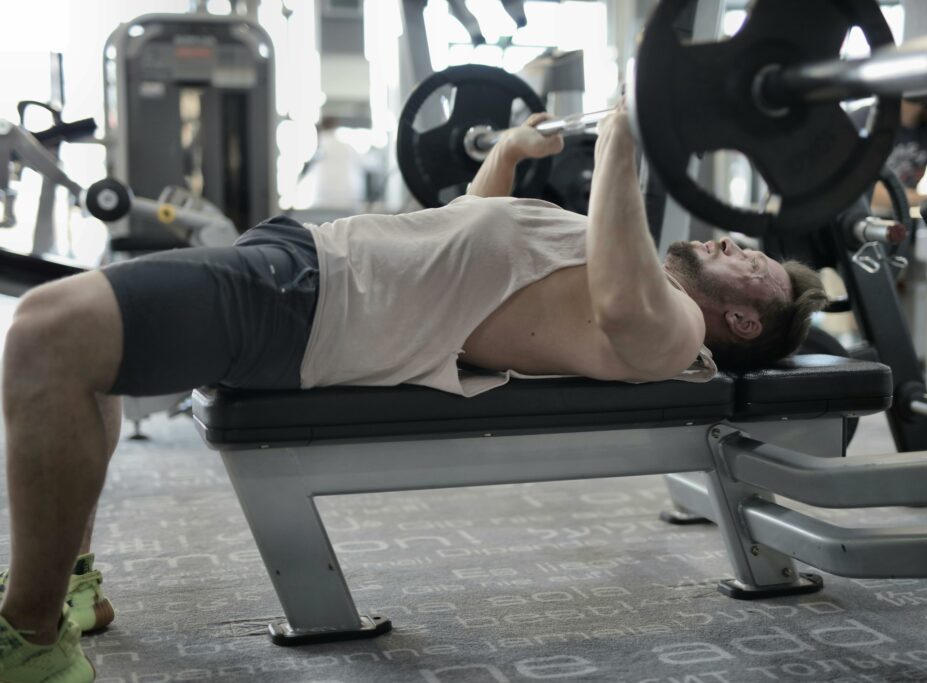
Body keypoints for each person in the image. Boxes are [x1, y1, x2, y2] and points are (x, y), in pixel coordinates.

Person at [0, 106, 826, 681]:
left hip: (308, 305)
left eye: (748, 262)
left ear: (743, 323)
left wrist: (622, 141)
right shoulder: (624, 261)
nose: (729, 239)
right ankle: (67, 582)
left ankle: (33, 632)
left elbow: (618, 299)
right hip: (305, 270)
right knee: (89, 348)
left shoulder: (675, 327)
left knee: (46, 333)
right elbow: (468, 243)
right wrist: (507, 154)